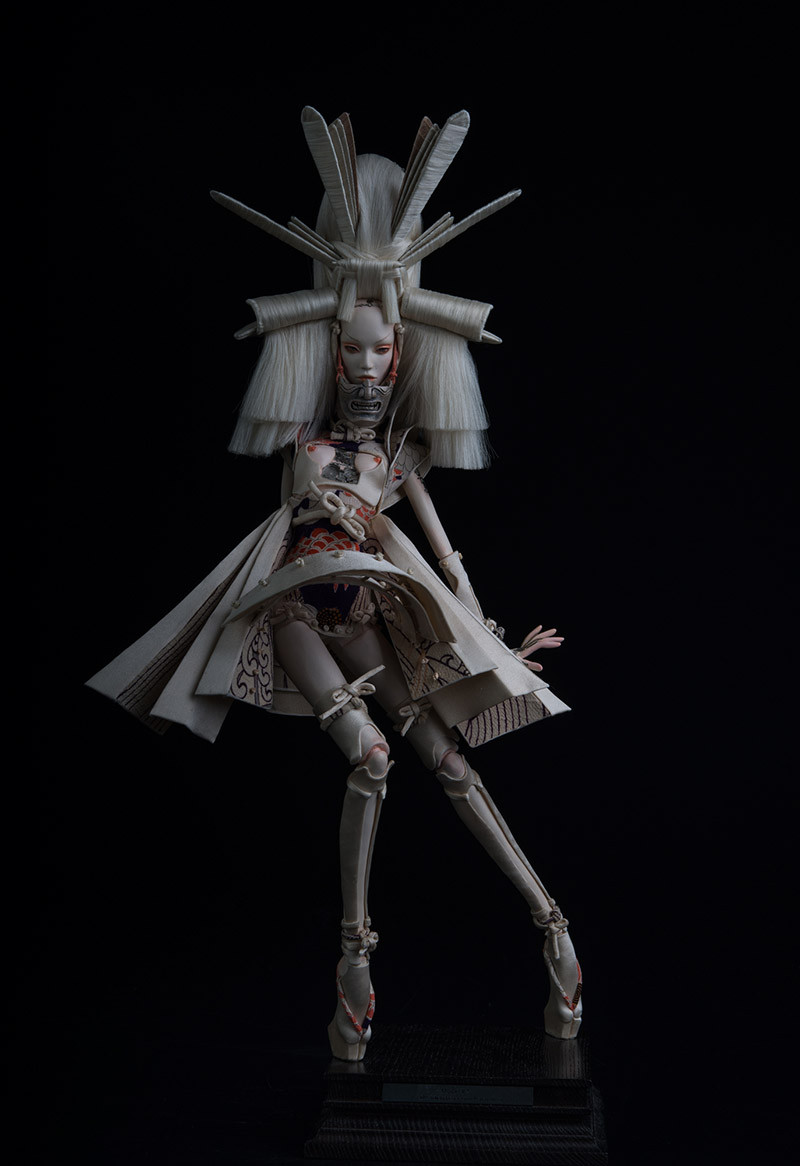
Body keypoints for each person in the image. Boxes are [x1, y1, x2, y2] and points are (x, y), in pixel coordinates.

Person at [87, 108, 583, 1061]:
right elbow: (303, 507)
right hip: (296, 602)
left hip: (364, 602)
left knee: (446, 761)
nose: (364, 366)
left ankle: (553, 927)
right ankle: (354, 960)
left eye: (380, 350)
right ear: (329, 349)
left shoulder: (396, 462)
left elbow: (439, 550)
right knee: (372, 756)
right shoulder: (304, 443)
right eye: (350, 349)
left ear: (402, 354)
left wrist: (485, 633)